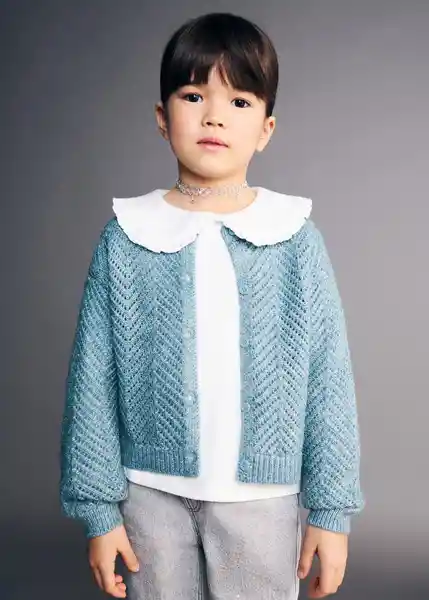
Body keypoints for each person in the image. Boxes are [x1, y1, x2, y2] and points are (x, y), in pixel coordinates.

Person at [59, 11, 365, 600]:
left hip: (261, 502)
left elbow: (329, 381)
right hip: (147, 495)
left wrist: (331, 512)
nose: (215, 116)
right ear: (162, 117)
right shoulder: (126, 237)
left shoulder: (294, 239)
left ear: (266, 129)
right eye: (194, 95)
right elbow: (92, 381)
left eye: (240, 101)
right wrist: (99, 512)